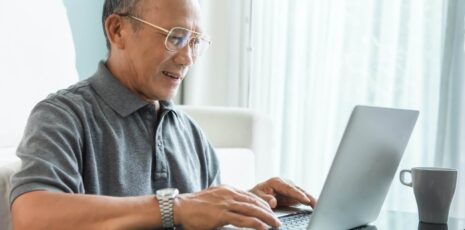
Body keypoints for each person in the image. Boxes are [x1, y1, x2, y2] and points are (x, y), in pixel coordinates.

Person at [10, 0, 316, 229]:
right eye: (175, 37)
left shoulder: (190, 133)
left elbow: (197, 213)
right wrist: (174, 206)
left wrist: (245, 204)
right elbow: (31, 215)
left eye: (195, 42)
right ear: (118, 30)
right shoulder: (63, 116)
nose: (187, 58)